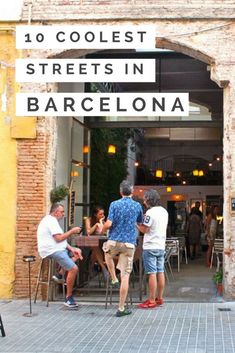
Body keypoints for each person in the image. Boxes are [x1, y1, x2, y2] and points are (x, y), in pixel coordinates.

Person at [102, 180, 143, 317]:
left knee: (107, 253)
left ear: (120, 192)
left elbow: (108, 224)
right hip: (129, 244)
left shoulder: (114, 204)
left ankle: (113, 278)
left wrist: (103, 229)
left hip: (113, 241)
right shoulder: (137, 205)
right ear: (132, 192)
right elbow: (139, 222)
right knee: (125, 276)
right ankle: (121, 308)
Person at [37, 203, 83, 308]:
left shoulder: (51, 220)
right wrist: (72, 231)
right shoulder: (51, 221)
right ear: (56, 212)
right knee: (74, 269)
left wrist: (72, 249)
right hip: (52, 250)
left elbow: (60, 240)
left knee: (77, 252)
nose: (63, 214)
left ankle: (60, 274)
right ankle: (68, 298)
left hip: (58, 248)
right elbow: (59, 238)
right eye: (62, 212)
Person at [137, 189, 168, 309]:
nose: (144, 202)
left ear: (148, 200)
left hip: (150, 246)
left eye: (144, 199)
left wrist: (137, 223)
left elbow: (145, 229)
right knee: (160, 271)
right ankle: (159, 298)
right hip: (161, 245)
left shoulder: (150, 213)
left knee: (152, 273)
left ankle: (151, 300)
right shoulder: (164, 211)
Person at [84, 205, 109, 280]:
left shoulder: (103, 221)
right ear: (95, 214)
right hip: (88, 244)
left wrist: (101, 223)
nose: (102, 216)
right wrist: (96, 225)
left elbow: (104, 233)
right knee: (94, 247)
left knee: (95, 250)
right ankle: (104, 268)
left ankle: (92, 266)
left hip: (100, 244)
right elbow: (89, 232)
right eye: (100, 214)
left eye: (103, 214)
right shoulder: (88, 220)